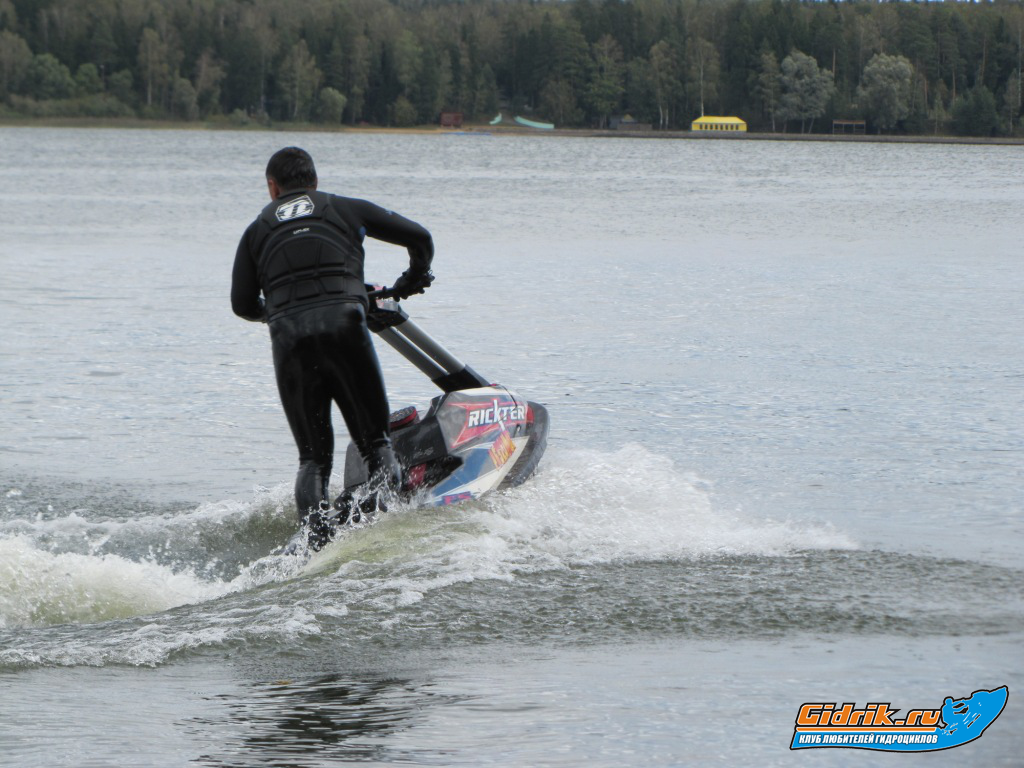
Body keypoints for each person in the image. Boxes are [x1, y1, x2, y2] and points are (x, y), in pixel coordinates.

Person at [231, 146, 434, 548]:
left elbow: (242, 304)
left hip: (289, 339)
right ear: (315, 181)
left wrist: (281, 311)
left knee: (313, 460)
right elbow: (420, 237)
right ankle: (385, 526)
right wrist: (414, 277)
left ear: (272, 187)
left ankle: (316, 545)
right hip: (345, 328)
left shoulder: (255, 232)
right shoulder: (343, 208)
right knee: (376, 443)